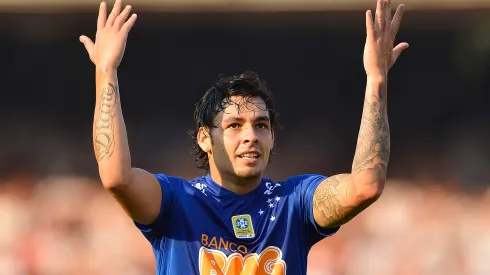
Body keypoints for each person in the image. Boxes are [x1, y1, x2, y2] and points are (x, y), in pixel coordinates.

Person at [79, 0, 408, 274]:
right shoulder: (176, 202)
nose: (251, 135)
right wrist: (106, 71)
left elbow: (365, 186)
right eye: (234, 125)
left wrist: (376, 79)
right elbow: (116, 178)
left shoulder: (294, 203)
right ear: (205, 139)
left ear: (272, 139)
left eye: (261, 125)